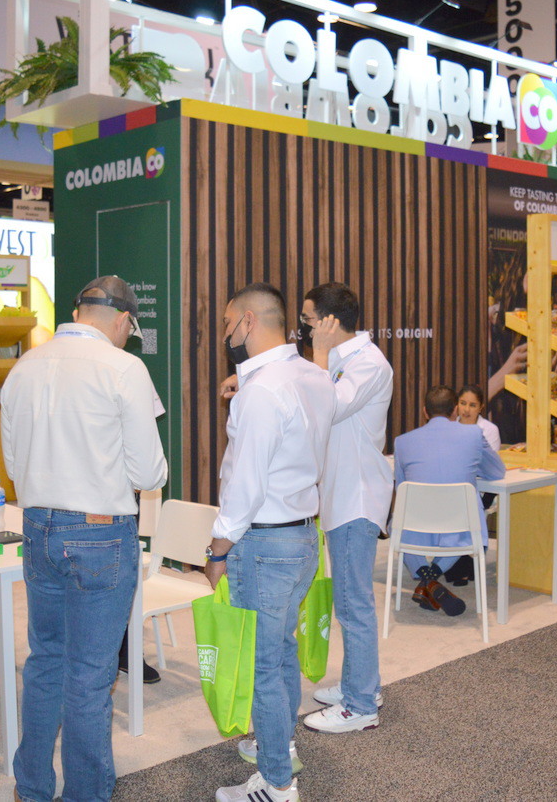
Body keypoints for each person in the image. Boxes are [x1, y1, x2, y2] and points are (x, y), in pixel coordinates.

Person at [0, 276, 168, 802]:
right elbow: (150, 472)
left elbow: (13, 466)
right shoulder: (124, 368)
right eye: (130, 329)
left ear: (78, 312)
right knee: (91, 676)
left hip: (38, 527)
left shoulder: (23, 367)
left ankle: (31, 788)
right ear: (122, 320)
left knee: (45, 661)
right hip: (100, 534)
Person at [207, 283, 333, 802]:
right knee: (280, 653)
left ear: (247, 322)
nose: (225, 334)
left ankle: (278, 784)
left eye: (227, 324)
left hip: (263, 544)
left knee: (263, 665)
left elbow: (247, 484)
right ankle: (278, 749)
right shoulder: (313, 376)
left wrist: (217, 548)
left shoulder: (261, 392)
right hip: (302, 534)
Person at [292, 283, 393, 737]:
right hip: (339, 496)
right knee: (349, 601)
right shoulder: (336, 360)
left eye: (309, 320)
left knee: (354, 605)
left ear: (330, 322)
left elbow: (324, 407)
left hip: (357, 498)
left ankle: (361, 704)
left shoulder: (368, 363)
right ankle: (360, 684)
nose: (304, 328)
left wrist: (318, 353)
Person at [393, 385, 506, 615]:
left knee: (400, 520)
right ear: (455, 409)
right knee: (467, 520)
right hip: (460, 527)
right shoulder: (474, 435)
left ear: (425, 411)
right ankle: (432, 580)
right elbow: (496, 472)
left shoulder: (402, 442)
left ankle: (427, 581)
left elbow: (400, 488)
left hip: (416, 527)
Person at [455, 384, 501, 452]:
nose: (467, 409)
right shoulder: (449, 426)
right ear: (457, 404)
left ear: (480, 408)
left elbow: (491, 458)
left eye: (472, 405)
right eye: (463, 403)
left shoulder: (490, 430)